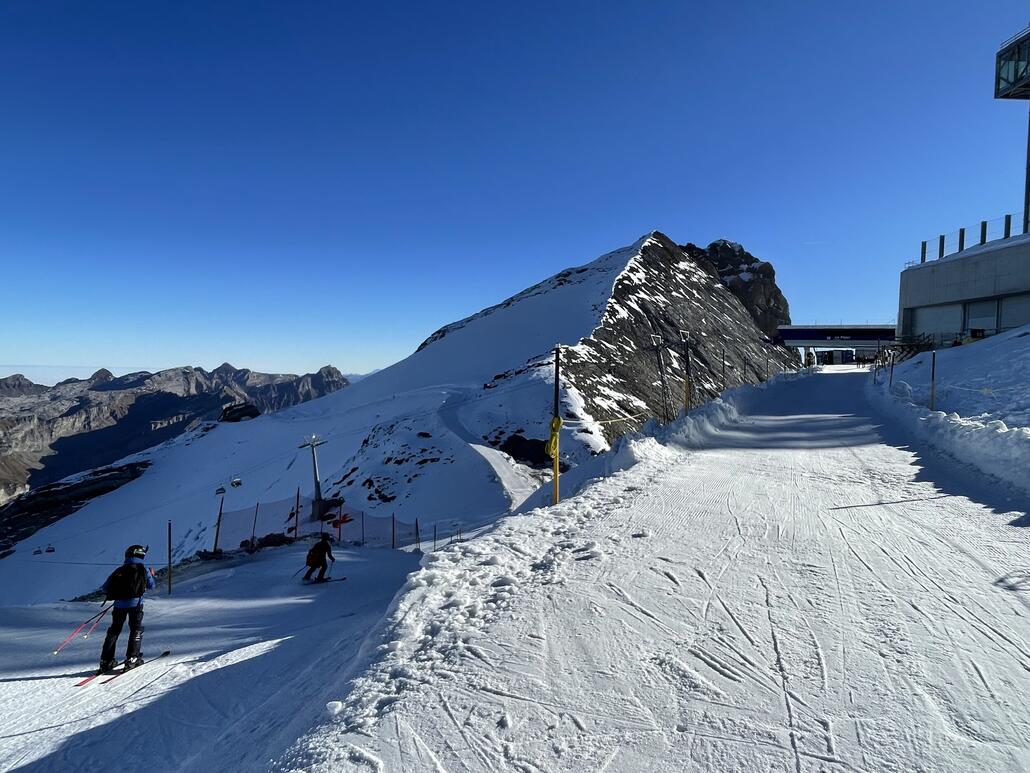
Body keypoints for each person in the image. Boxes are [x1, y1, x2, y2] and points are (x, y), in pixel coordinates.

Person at [98, 544, 156, 673]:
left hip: (119, 605)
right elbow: (151, 585)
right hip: (136, 604)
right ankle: (132, 658)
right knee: (135, 629)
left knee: (114, 630)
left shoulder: (119, 570)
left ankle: (106, 661)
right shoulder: (143, 569)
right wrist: (152, 575)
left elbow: (105, 588)